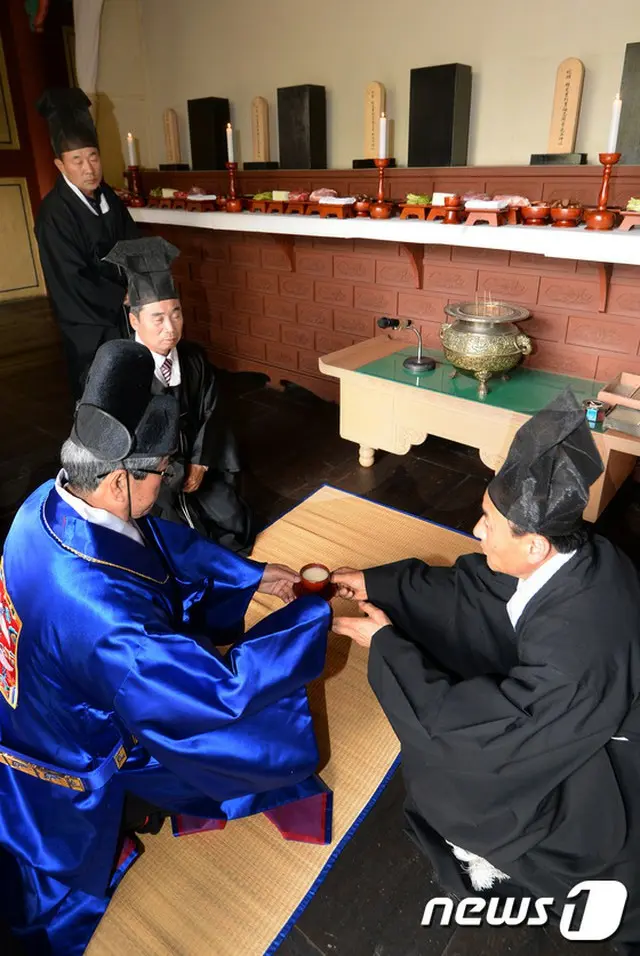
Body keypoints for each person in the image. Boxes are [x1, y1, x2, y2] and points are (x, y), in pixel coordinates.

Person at [0, 339, 332, 956]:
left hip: (35, 696)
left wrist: (251, 576)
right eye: (163, 473)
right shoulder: (101, 615)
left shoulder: (45, 504)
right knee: (242, 734)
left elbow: (152, 543)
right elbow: (212, 693)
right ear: (119, 477)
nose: (170, 483)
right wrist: (309, 617)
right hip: (67, 750)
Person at [332, 390, 640, 953]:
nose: (476, 529)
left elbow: (493, 735)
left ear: (535, 545)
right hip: (574, 694)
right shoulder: (579, 556)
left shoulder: (575, 653)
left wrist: (387, 649)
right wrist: (379, 584)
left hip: (601, 756)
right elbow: (480, 592)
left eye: (490, 523)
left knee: (456, 780)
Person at [104, 235, 255, 555]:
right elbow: (126, 444)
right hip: (154, 480)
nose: (170, 328)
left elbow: (214, 411)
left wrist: (200, 463)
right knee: (175, 544)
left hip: (198, 462)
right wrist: (175, 471)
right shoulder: (120, 371)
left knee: (234, 525)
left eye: (176, 314)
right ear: (134, 321)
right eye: (157, 319)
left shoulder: (194, 359)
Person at [35, 87, 139, 401]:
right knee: (98, 386)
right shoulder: (55, 213)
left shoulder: (108, 197)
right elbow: (69, 278)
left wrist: (140, 281)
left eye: (93, 157)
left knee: (132, 381)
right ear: (60, 165)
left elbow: (133, 241)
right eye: (77, 160)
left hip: (124, 309)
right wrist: (118, 295)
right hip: (88, 321)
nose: (88, 168)